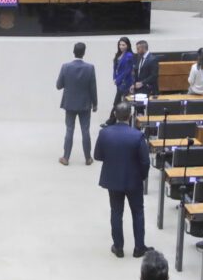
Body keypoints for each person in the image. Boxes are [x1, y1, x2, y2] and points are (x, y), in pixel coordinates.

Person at [94, 102, 150, 258]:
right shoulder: (138, 136)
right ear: (130, 116)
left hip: (113, 180)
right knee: (138, 212)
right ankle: (139, 247)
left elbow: (98, 156)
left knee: (116, 212)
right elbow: (145, 161)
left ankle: (118, 247)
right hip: (134, 181)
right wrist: (143, 176)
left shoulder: (104, 133)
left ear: (115, 115)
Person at [57, 42, 97, 166]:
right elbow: (93, 88)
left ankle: (66, 157)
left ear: (73, 52)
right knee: (85, 130)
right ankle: (88, 158)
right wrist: (95, 103)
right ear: (84, 53)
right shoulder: (90, 68)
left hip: (69, 103)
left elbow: (59, 85)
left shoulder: (65, 67)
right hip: (85, 104)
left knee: (69, 130)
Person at [105, 37, 135, 126]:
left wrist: (118, 79)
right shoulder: (118, 54)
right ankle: (112, 120)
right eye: (120, 45)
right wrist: (114, 77)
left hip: (126, 82)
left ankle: (113, 120)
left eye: (123, 45)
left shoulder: (129, 55)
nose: (121, 46)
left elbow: (127, 70)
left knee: (122, 102)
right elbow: (115, 68)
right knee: (117, 102)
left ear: (128, 45)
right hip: (119, 82)